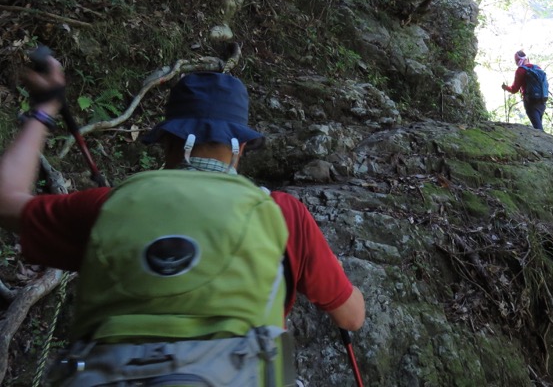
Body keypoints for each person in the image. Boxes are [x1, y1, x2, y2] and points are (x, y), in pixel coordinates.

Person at [0, 54, 365, 385]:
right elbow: (351, 317)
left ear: (167, 140)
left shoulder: (109, 207)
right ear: (239, 148)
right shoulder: (284, 214)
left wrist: (43, 110)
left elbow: (6, 201)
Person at [502, 50, 548, 131]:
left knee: (538, 129)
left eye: (517, 60)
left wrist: (505, 88)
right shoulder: (537, 68)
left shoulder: (520, 70)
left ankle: (544, 142)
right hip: (542, 101)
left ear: (520, 59)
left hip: (530, 102)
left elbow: (514, 89)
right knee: (538, 125)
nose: (516, 62)